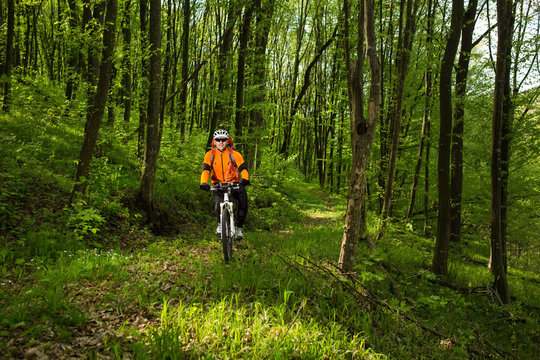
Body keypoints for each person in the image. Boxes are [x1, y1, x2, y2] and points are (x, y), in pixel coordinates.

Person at [200, 129, 250, 239]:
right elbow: (206, 171)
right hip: (218, 184)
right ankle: (220, 225)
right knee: (218, 205)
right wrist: (203, 182)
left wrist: (245, 179)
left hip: (234, 183)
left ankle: (239, 229)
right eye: (218, 140)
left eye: (223, 140)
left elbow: (243, 169)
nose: (221, 142)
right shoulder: (210, 155)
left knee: (243, 202)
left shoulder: (235, 154)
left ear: (227, 141)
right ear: (214, 141)